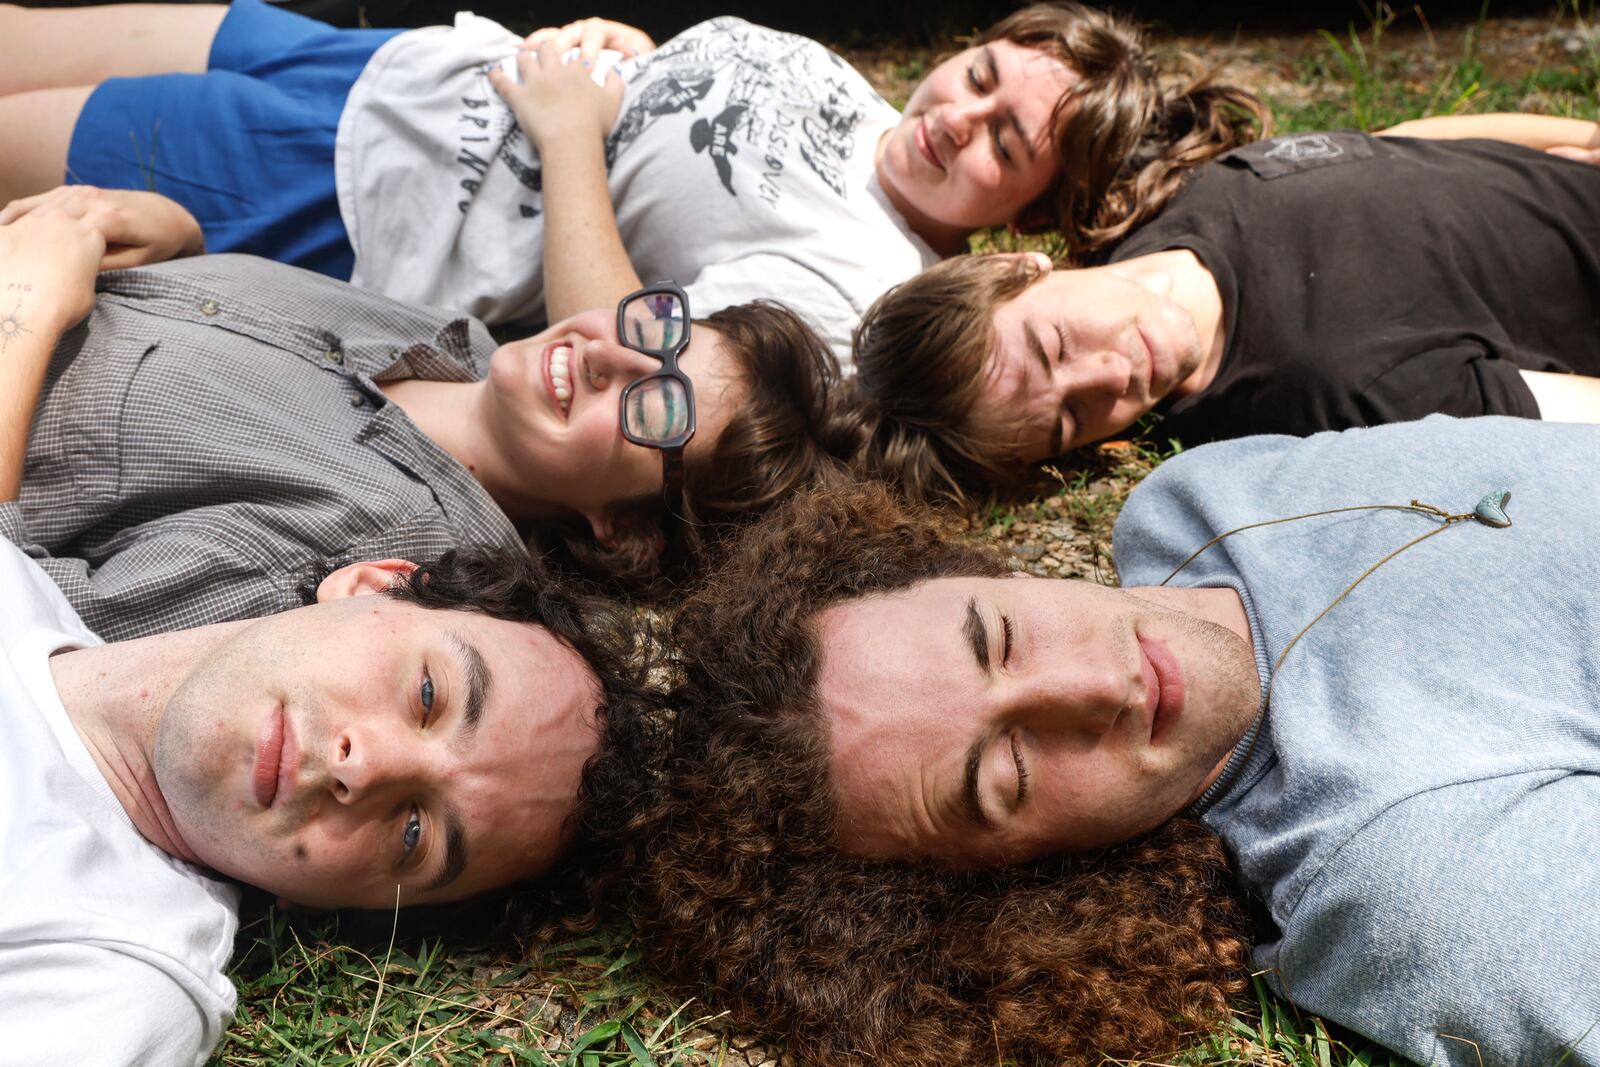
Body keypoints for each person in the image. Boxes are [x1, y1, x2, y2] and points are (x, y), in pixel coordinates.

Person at [638, 415, 1600, 1066]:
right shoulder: (1403, 877)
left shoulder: (1193, 499)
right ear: (1016, 877)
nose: (1100, 685)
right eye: (1008, 771)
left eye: (998, 635)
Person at [0, 0, 1265, 359]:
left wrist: (564, 136)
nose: (957, 117)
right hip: (393, 66)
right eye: (981, 75)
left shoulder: (859, 286)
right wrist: (631, 48)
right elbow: (686, 110)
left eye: (1004, 143)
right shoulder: (870, 101)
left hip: (353, 196)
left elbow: (616, 348)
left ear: (1029, 213)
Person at [0, 189, 845, 639]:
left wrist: (26, 310)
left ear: (623, 531)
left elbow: (25, 633)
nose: (607, 354)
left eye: (655, 405)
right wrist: (176, 233)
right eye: (657, 331)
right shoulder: (450, 342)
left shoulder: (364, 552)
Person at [0, 507, 654, 1062]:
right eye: (428, 694)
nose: (363, 767)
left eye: (414, 831)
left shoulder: (116, 979)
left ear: (342, 905)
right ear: (372, 585)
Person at [848, 124, 1600, 504]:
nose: (1114, 376)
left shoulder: (1167, 204)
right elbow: (1569, 415)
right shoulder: (1335, 393)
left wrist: (1574, 140)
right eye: (1073, 419)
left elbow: (1388, 146)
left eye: (1054, 348)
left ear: (1014, 268)